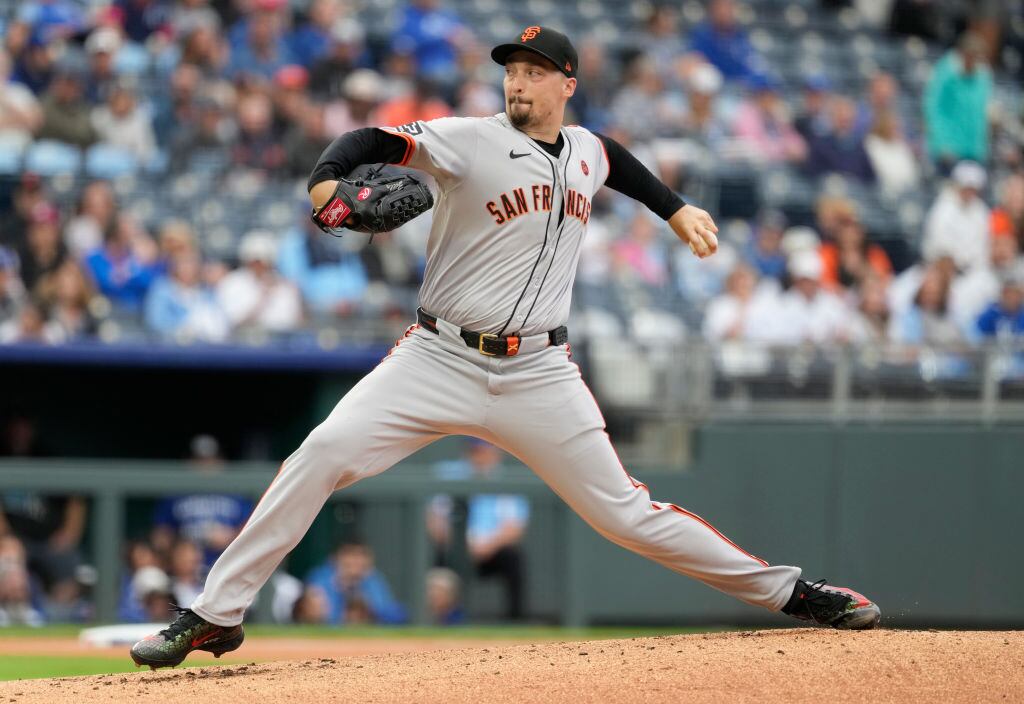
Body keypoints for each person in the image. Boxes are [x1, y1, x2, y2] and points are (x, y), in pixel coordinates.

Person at [131, 26, 881, 669]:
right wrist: (327, 180)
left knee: (626, 515)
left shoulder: (584, 150)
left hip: (539, 372)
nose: (517, 84)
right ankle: (217, 613)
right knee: (320, 455)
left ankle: (792, 592)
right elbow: (372, 141)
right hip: (437, 357)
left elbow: (614, 159)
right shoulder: (469, 140)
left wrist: (675, 208)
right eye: (511, 73)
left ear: (567, 84)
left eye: (533, 74)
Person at [429, 439, 529, 620]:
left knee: (514, 558)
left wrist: (486, 546)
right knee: (434, 558)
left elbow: (514, 528)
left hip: (491, 550)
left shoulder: (507, 479)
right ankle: (441, 620)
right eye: (476, 451)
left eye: (486, 451)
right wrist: (459, 544)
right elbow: (435, 521)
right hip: (454, 546)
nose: (481, 456)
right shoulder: (448, 472)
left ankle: (516, 621)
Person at [923, 33, 993, 171]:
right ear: (964, 54)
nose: (976, 61)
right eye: (973, 56)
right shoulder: (945, 72)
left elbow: (981, 111)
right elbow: (933, 108)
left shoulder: (983, 75)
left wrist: (981, 147)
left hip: (974, 149)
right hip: (948, 149)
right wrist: (941, 143)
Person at [303, 541, 407, 625]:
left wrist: (365, 600)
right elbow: (314, 616)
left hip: (365, 641)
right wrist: (341, 591)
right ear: (335, 559)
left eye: (360, 556)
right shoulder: (321, 577)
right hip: (327, 641)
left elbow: (397, 615)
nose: (355, 562)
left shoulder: (372, 579)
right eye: (350, 556)